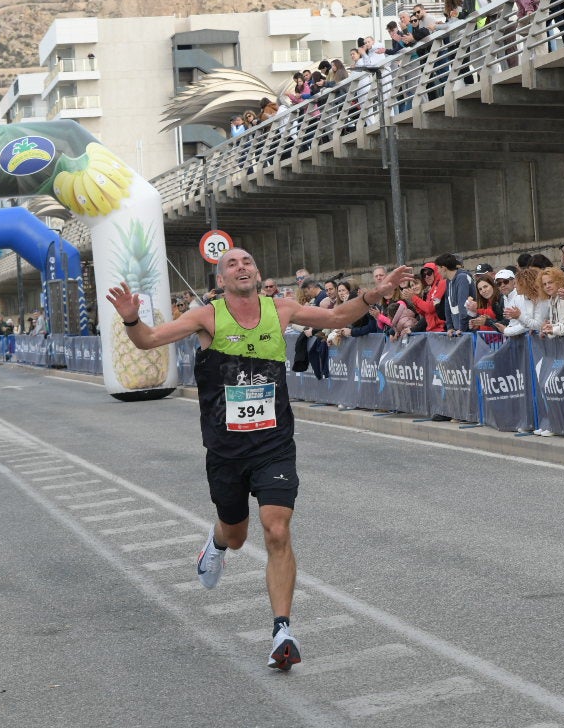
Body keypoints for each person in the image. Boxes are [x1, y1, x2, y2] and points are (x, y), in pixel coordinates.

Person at [107, 249, 413, 671]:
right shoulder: (207, 317)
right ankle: (215, 544)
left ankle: (282, 630)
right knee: (236, 534)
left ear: (259, 271)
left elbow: (337, 318)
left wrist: (375, 295)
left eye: (247, 261)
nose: (241, 266)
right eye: (231, 264)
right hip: (226, 450)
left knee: (277, 529)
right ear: (221, 278)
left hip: (273, 444)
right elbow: (149, 340)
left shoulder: (282, 308)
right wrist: (130, 319)